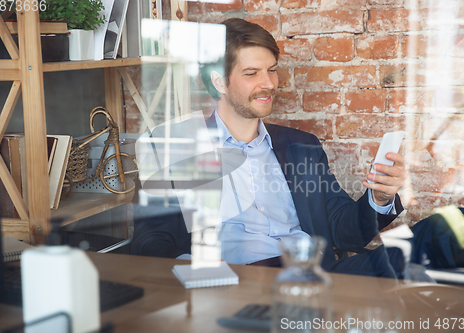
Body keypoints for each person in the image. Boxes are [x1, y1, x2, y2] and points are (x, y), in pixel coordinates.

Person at [131, 18, 407, 278]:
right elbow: (151, 242)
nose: (269, 84)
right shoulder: (180, 146)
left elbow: (346, 230)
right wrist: (202, 274)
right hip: (235, 285)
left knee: (438, 233)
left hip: (314, 279)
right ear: (219, 82)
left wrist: (379, 198)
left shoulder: (302, 147)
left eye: (272, 70)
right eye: (251, 73)